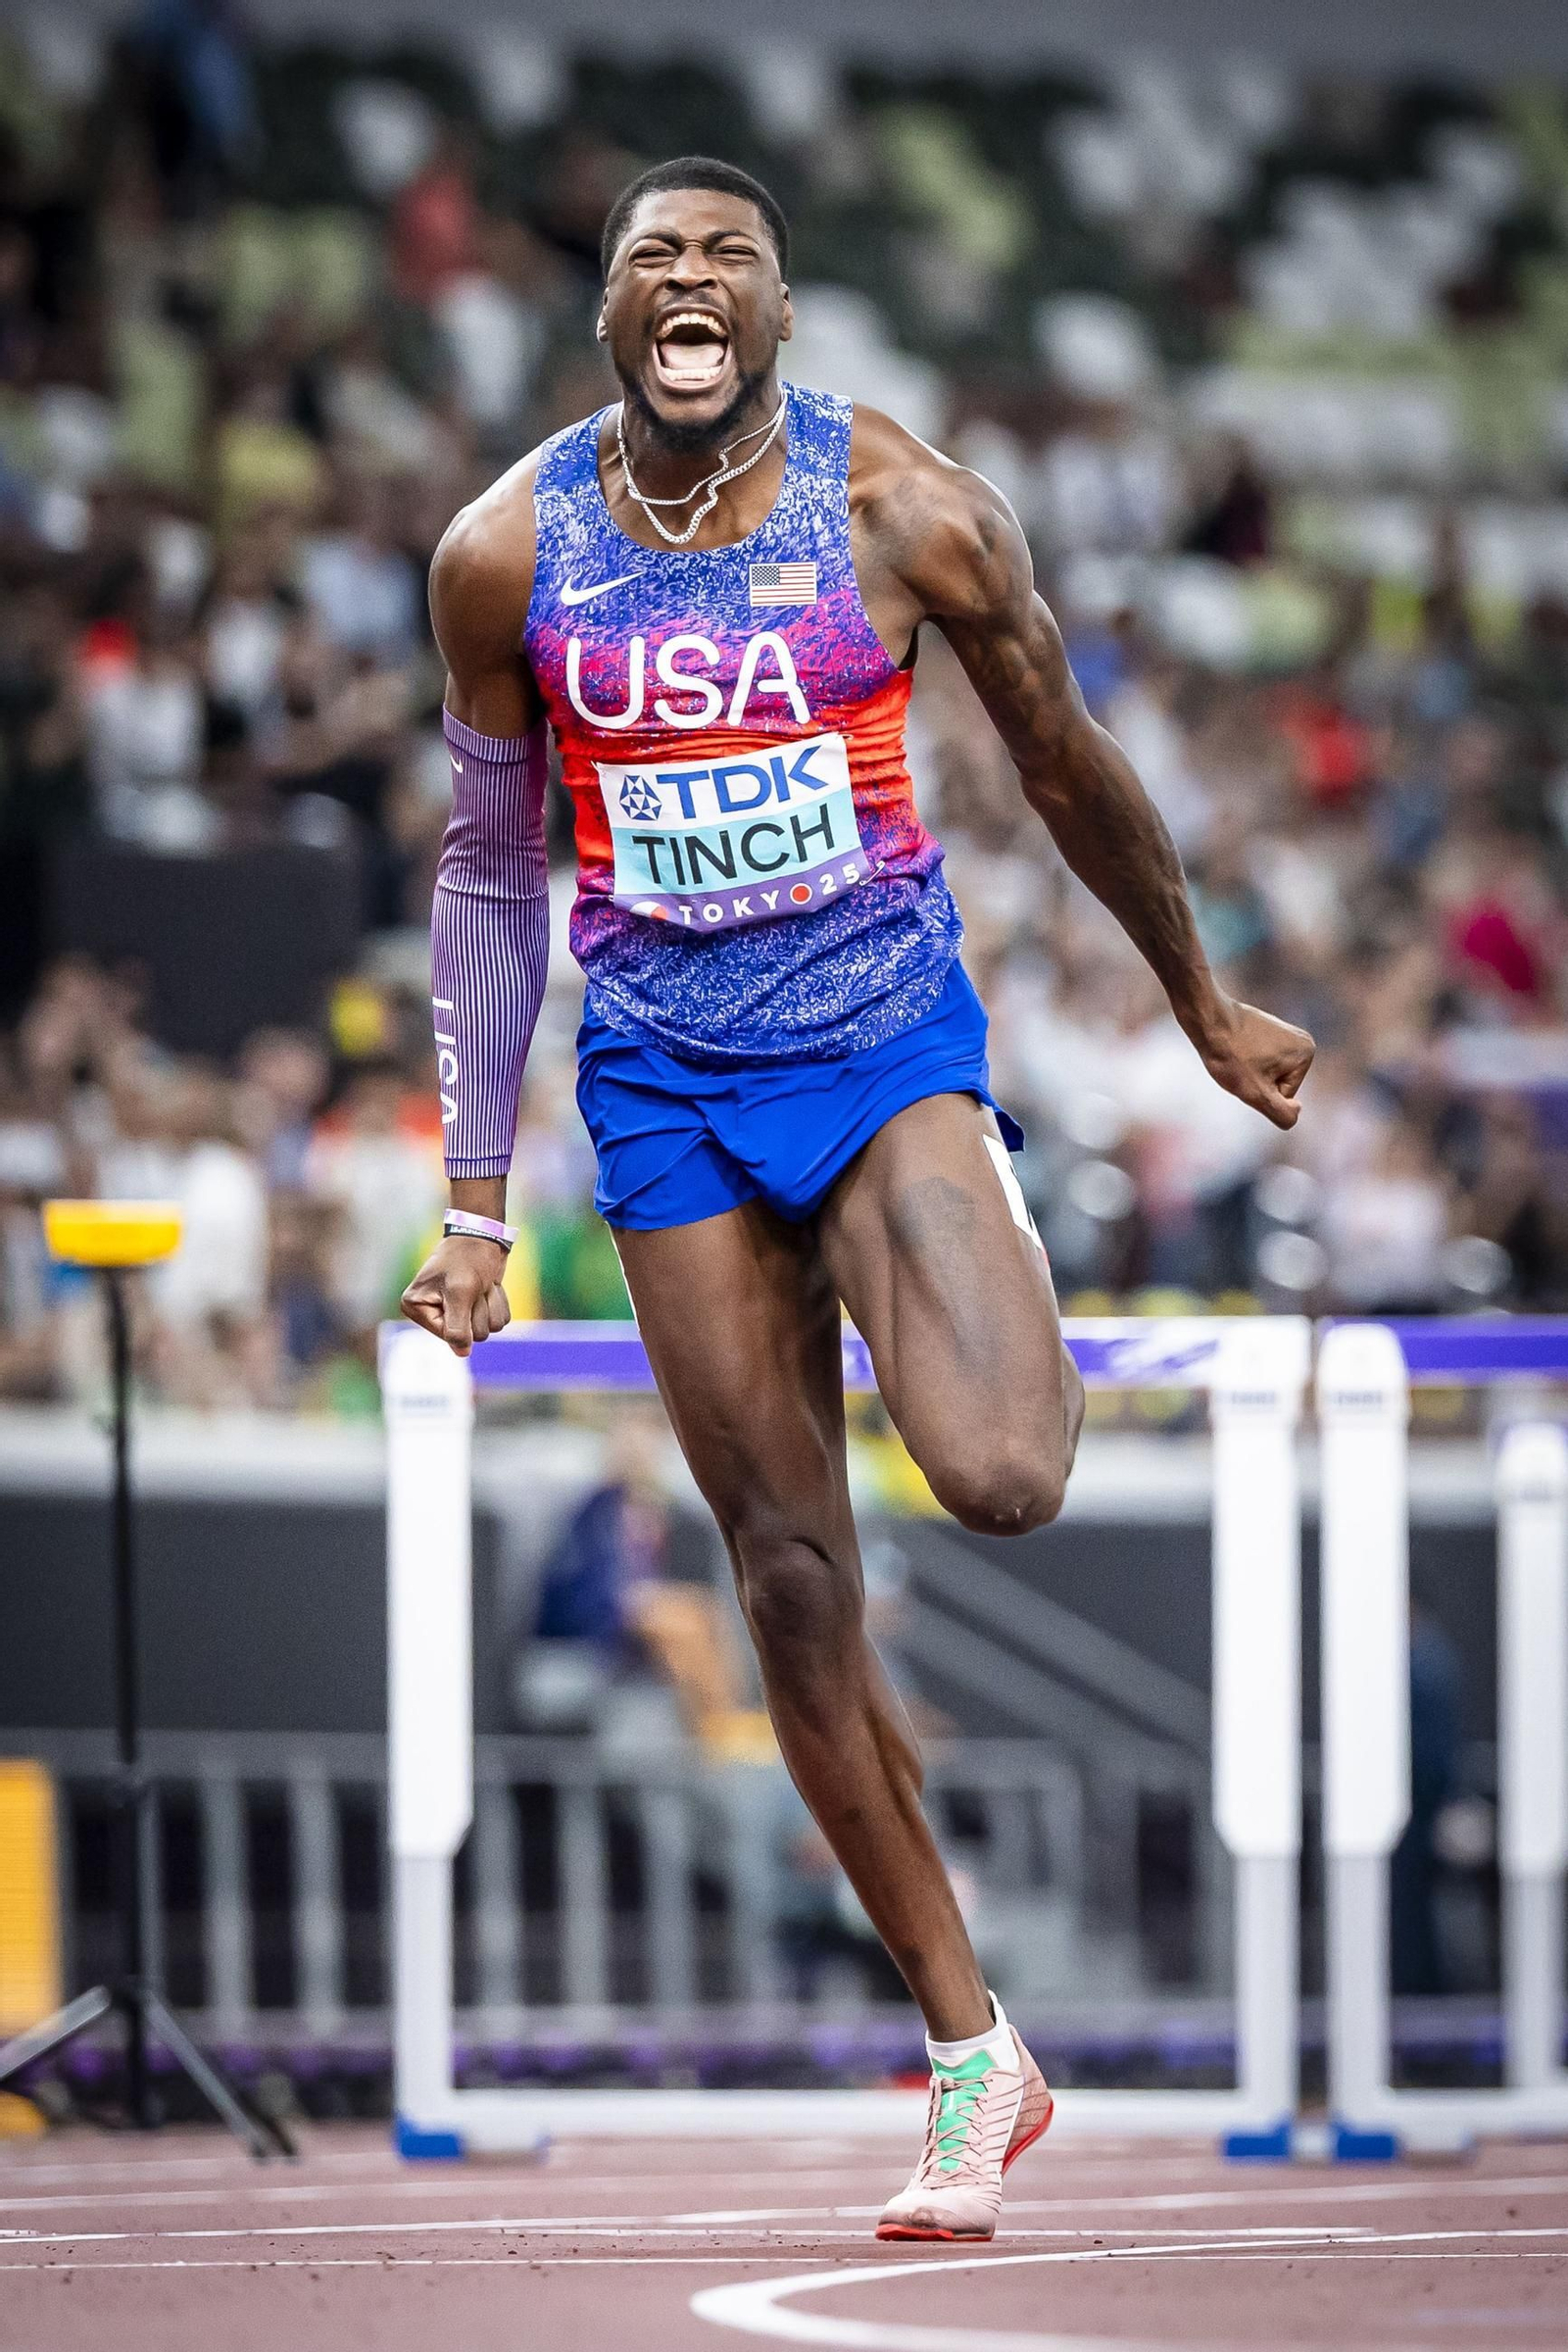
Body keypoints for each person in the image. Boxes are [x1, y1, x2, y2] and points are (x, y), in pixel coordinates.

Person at [400, 156, 1314, 2241]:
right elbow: (479, 875)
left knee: (997, 1476)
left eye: (728, 254)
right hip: (656, 1081)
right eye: (653, 257)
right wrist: (468, 1198)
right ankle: (970, 2054)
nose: (690, 279)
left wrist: (1192, 1001)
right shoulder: (503, 553)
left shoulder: (907, 509)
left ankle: (950, 1219)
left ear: (784, 317)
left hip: (881, 1036)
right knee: (790, 1583)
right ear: (610, 318)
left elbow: (1068, 765)